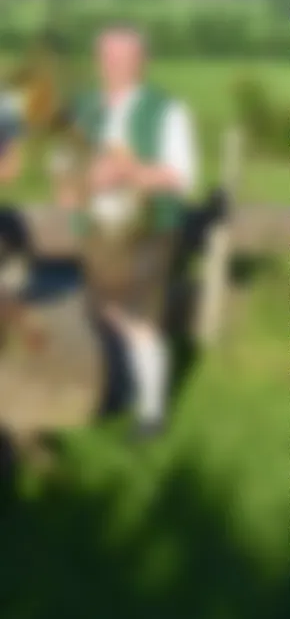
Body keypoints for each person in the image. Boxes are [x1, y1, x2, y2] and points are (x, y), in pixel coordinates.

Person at [63, 26, 197, 439]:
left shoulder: (166, 111)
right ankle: (108, 391)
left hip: (150, 225)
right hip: (95, 226)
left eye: (123, 59)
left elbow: (182, 177)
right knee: (95, 312)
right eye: (107, 59)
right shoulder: (84, 108)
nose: (114, 68)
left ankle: (151, 412)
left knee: (138, 316)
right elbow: (65, 170)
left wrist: (129, 171)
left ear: (140, 62)